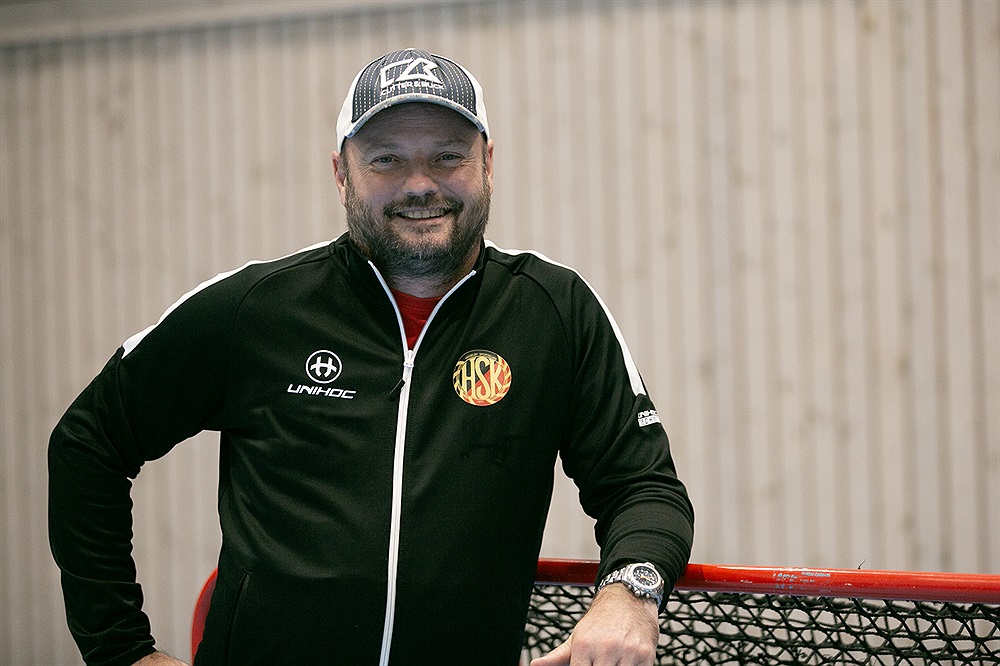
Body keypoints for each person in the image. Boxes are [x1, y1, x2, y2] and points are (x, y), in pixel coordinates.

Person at [48, 48, 694, 666]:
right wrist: (121, 649)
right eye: (387, 160)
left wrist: (630, 592)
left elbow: (643, 486)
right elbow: (89, 441)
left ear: (488, 164)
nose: (421, 184)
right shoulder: (259, 309)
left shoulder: (554, 313)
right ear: (341, 174)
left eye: (448, 156)